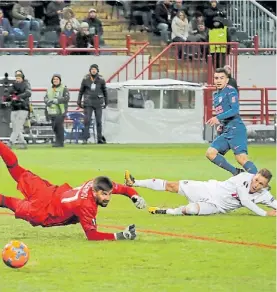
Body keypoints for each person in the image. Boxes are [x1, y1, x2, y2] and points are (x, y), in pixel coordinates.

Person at [0, 142, 146, 241]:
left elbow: (125, 189)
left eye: (109, 194)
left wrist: (135, 196)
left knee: (16, 169)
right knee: (7, 201)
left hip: (49, 192)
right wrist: (120, 236)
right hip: (43, 212)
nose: (108, 198)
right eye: (104, 195)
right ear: (95, 192)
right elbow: (92, 236)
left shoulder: (96, 183)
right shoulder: (86, 206)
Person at [124, 170, 276, 217]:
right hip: (209, 189)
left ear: (266, 186)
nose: (255, 185)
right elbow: (245, 201)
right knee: (171, 186)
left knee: (190, 210)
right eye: (256, 180)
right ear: (254, 175)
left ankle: (164, 211)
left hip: (216, 207)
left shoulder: (264, 195)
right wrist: (265, 213)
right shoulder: (244, 178)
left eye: (261, 184)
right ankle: (134, 182)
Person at [205, 68, 258, 175]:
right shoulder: (216, 95)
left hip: (236, 128)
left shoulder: (230, 91)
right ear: (213, 80)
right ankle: (237, 173)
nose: (218, 80)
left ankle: (261, 183)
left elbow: (234, 110)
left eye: (221, 78)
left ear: (227, 80)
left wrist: (218, 118)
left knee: (241, 159)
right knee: (210, 153)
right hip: (226, 130)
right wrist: (221, 124)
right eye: (216, 78)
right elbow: (225, 112)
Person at [77, 64, 108, 144]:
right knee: (87, 121)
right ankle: (85, 139)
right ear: (90, 70)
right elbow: (81, 91)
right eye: (92, 69)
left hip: (98, 102)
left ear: (97, 70)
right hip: (88, 103)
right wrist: (79, 101)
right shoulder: (85, 79)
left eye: (95, 69)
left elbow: (105, 91)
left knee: (99, 121)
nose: (93, 71)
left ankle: (99, 139)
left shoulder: (101, 79)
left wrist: (106, 101)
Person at [6, 70, 31, 150]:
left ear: (22, 77)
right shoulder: (13, 85)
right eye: (16, 77)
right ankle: (23, 143)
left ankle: (10, 142)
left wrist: (18, 97)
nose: (17, 79)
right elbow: (9, 94)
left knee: (17, 126)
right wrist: (8, 97)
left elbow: (28, 93)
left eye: (19, 77)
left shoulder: (26, 84)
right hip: (14, 107)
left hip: (23, 108)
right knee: (15, 126)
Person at [44, 74, 70, 148]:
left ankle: (60, 142)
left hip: (60, 110)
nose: (55, 80)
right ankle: (57, 141)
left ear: (60, 80)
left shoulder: (64, 88)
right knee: (54, 127)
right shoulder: (49, 89)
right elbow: (45, 97)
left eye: (57, 79)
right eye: (54, 79)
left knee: (59, 126)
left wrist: (58, 100)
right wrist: (47, 101)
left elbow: (66, 98)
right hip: (51, 111)